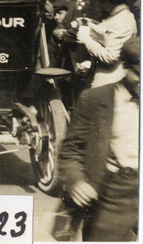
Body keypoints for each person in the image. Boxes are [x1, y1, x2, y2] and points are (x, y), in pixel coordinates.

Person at [58, 37, 139, 242]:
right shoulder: (95, 99)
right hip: (114, 197)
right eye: (139, 74)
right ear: (124, 67)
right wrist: (77, 181)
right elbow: (70, 151)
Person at [76, 0, 137, 88]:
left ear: (111, 0)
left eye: (102, 0)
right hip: (106, 76)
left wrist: (86, 40)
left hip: (110, 80)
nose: (101, 4)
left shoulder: (122, 21)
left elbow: (111, 56)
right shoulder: (117, 17)